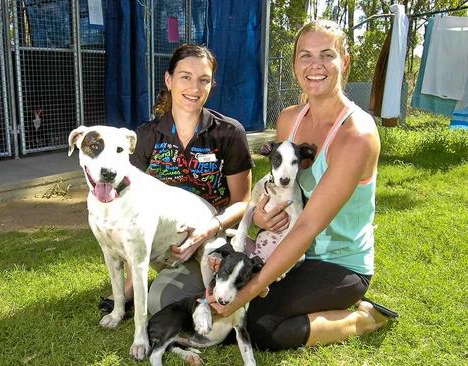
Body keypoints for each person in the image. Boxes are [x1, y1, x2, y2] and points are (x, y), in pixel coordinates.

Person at [205, 19, 394, 350]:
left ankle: (361, 319)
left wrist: (248, 291)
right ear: (294, 65)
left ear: (344, 62)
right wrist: (261, 218)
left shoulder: (357, 135)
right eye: (305, 56)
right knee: (229, 297)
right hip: (286, 248)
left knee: (259, 326)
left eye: (327, 55)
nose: (315, 65)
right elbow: (277, 191)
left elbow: (306, 226)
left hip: (338, 262)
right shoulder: (289, 119)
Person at [98, 44, 255, 314]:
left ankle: (232, 272)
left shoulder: (229, 133)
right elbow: (128, 201)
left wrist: (208, 228)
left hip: (213, 239)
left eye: (203, 80)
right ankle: (134, 287)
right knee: (163, 301)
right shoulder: (147, 135)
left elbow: (243, 203)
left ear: (211, 85)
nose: (194, 88)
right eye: (185, 77)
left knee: (165, 302)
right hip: (166, 245)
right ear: (169, 80)